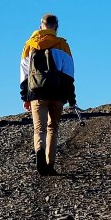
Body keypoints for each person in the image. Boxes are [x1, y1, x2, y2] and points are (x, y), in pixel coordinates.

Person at [20, 14, 76, 175]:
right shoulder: (62, 45)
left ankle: (39, 154)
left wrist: (25, 97)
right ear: (56, 28)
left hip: (37, 93)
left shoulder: (29, 46)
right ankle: (49, 164)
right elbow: (68, 74)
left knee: (39, 129)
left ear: (40, 26)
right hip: (57, 93)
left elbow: (24, 75)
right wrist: (71, 98)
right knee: (53, 128)